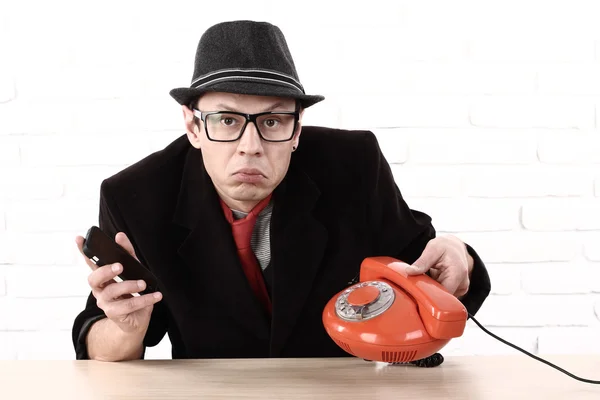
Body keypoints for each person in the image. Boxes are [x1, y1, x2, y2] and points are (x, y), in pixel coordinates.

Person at [71, 20, 491, 361]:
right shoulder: (135, 196)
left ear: (297, 129)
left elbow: (424, 268)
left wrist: (460, 255)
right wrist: (126, 329)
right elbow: (98, 346)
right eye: (227, 120)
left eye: (272, 122)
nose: (250, 147)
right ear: (193, 125)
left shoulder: (353, 165)